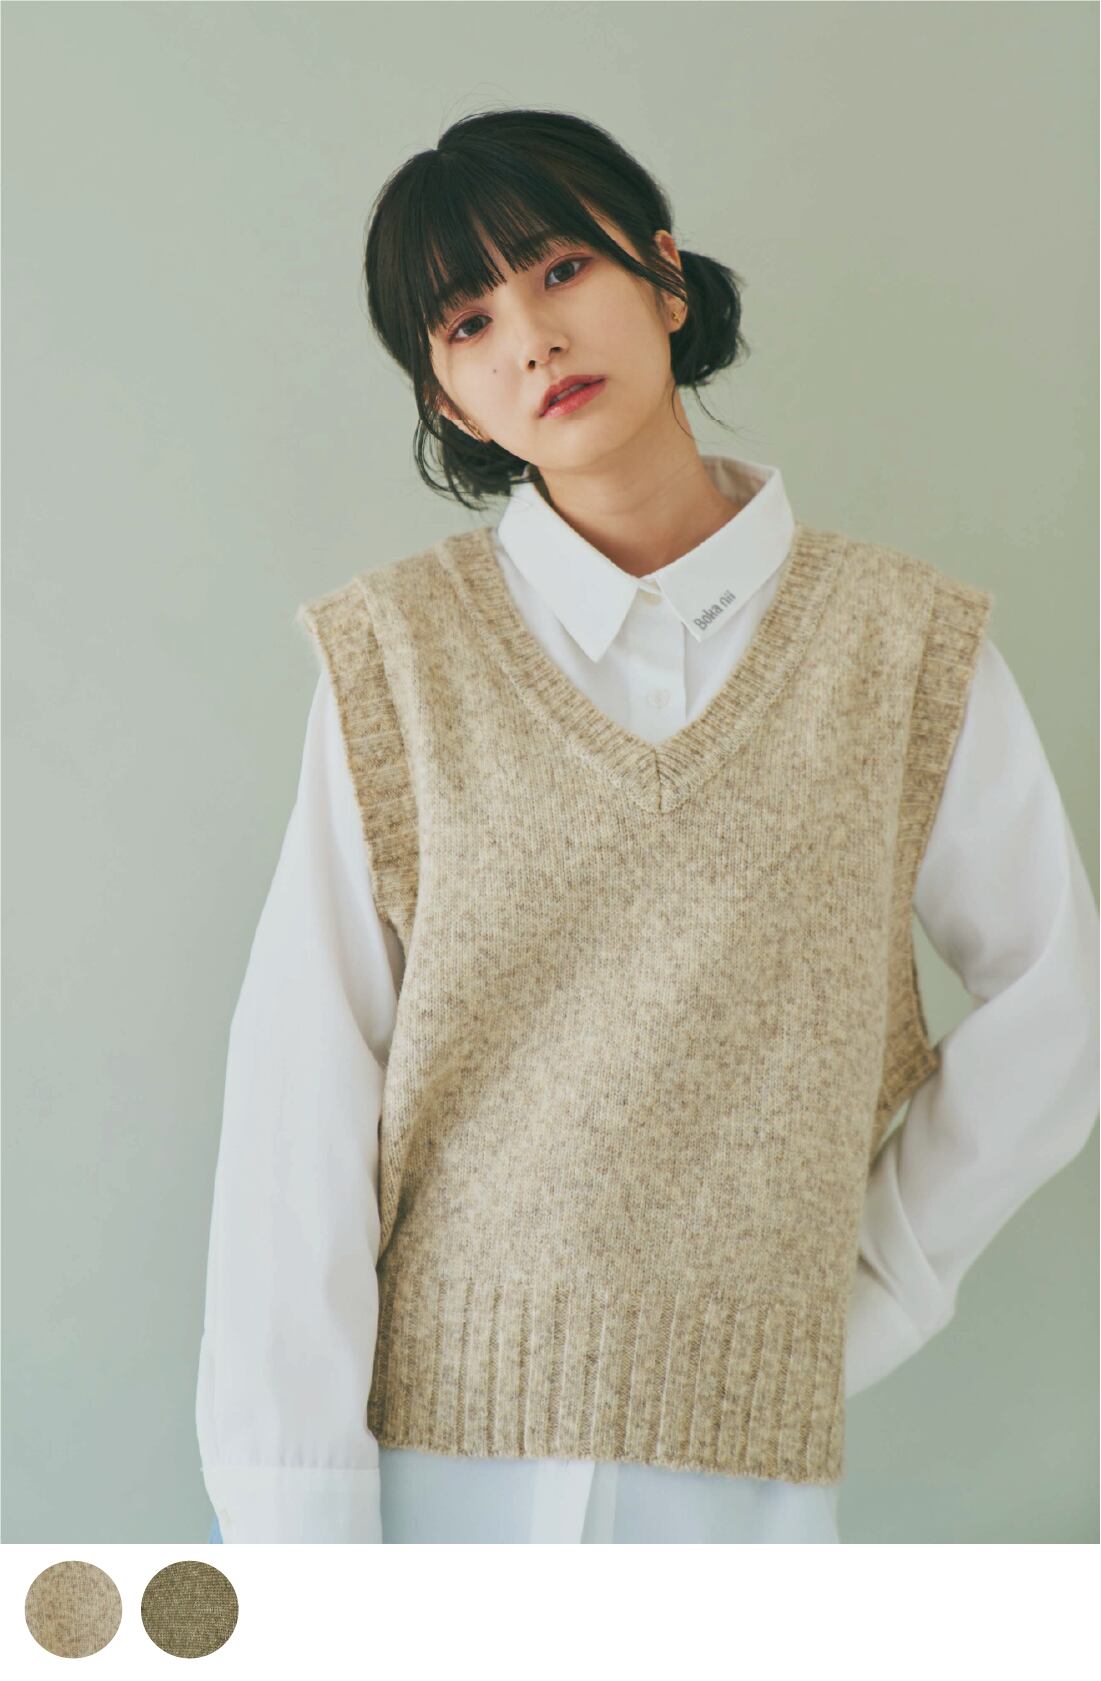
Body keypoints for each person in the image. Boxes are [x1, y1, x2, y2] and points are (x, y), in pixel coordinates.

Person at [195, 107, 1099, 1545]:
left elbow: (1061, 1004)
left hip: (740, 1485)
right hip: (427, 1473)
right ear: (448, 402)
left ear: (665, 277)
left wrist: (865, 1288)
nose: (533, 340)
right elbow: (299, 1100)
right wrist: (296, 1539)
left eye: (561, 269)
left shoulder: (902, 649)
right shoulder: (400, 662)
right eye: (469, 322)